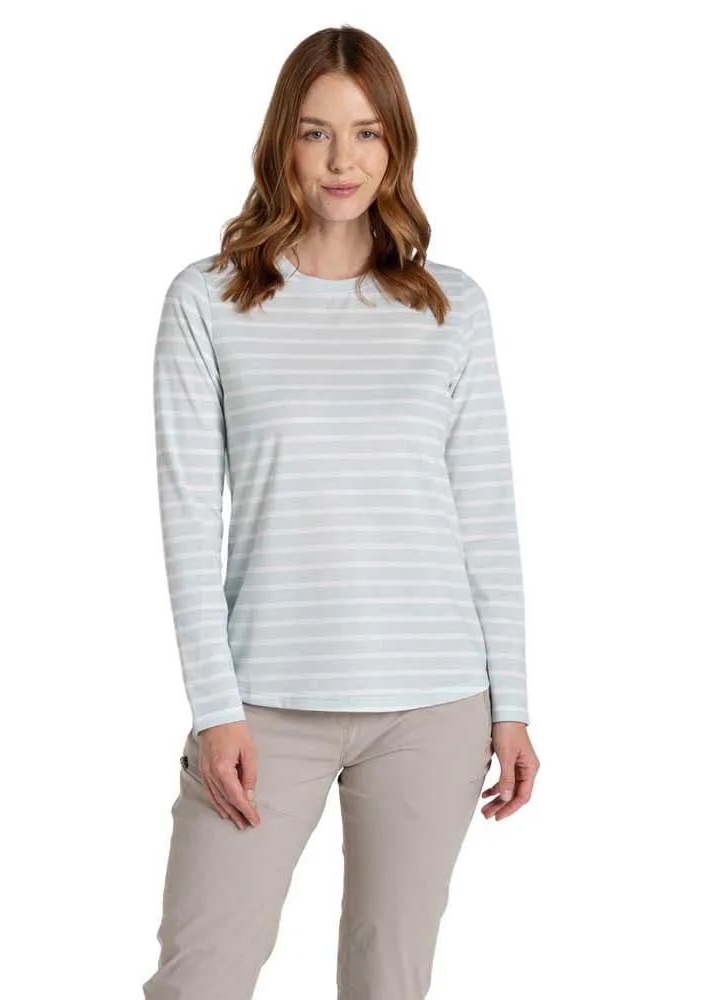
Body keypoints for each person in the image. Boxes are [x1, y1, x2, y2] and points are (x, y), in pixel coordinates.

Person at [142, 24, 540, 1000]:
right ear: (282, 140)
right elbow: (188, 519)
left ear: (395, 145)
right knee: (199, 978)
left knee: (388, 982)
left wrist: (513, 706)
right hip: (264, 705)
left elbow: (486, 515)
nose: (341, 160)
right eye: (316, 132)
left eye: (366, 133)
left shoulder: (451, 307)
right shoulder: (208, 302)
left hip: (435, 705)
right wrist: (215, 709)